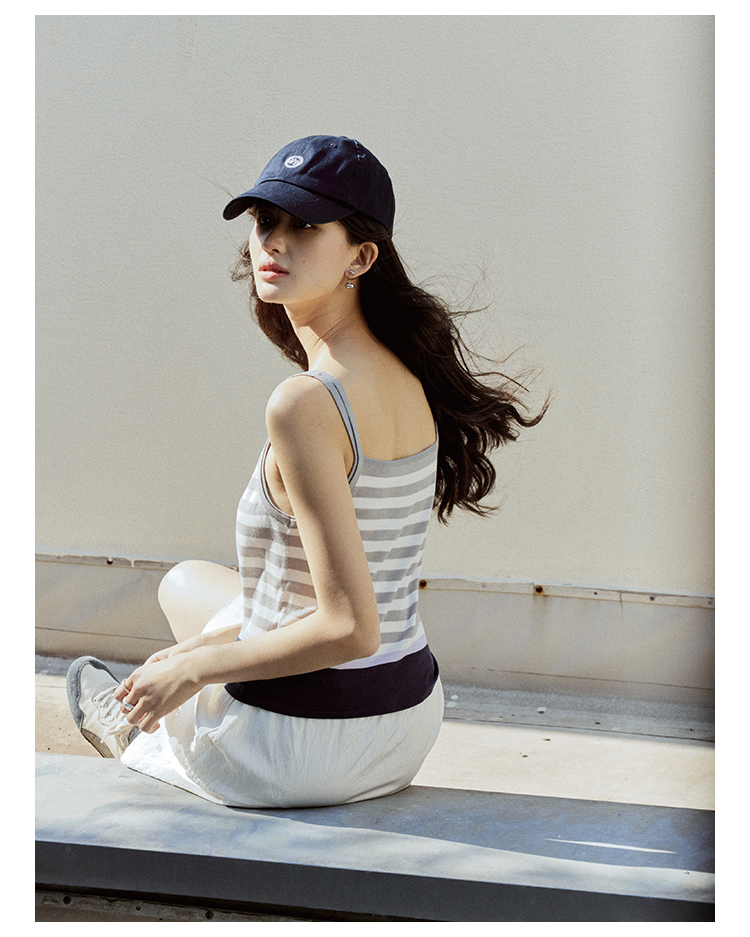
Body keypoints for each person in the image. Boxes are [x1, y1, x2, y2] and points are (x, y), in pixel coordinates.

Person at [66, 135, 546, 808]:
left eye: (307, 226)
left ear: (362, 256)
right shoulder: (409, 372)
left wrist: (193, 669)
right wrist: (195, 653)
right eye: (266, 220)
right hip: (406, 724)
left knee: (175, 666)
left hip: (301, 747)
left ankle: (139, 737)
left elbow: (350, 627)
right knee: (184, 583)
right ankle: (180, 690)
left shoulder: (306, 403)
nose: (275, 242)